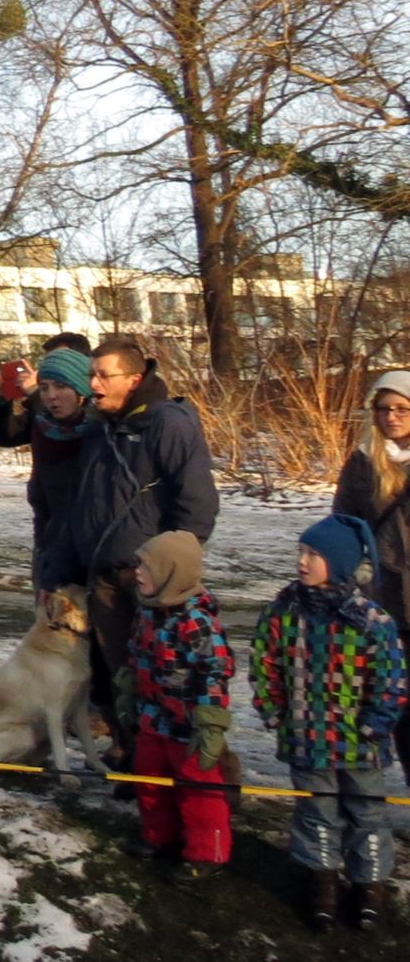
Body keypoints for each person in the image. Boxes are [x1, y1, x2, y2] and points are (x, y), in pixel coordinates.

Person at [49, 336, 219, 763]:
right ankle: (137, 763)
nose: (94, 384)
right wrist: (61, 571)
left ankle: (194, 773)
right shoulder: (100, 428)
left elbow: (197, 505)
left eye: (103, 375)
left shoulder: (167, 423)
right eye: (91, 375)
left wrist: (170, 571)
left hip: (152, 580)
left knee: (168, 681)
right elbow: (81, 506)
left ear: (135, 378)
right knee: (123, 678)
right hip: (103, 577)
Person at [250, 515, 408, 932]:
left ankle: (368, 886)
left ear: (338, 563)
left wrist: (376, 723)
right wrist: (274, 711)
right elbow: (263, 664)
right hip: (307, 738)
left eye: (313, 555)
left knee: (367, 814)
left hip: (361, 744)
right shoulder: (283, 611)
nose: (302, 561)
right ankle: (323, 884)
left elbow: (392, 679)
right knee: (315, 812)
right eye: (301, 552)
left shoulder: (371, 621)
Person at [115, 531, 233, 883]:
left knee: (198, 791)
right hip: (154, 719)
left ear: (171, 575)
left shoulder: (196, 622)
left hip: (189, 727)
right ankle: (158, 835)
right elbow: (138, 654)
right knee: (149, 780)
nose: (137, 573)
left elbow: (216, 671)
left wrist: (211, 724)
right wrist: (128, 688)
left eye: (146, 568)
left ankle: (206, 852)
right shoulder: (148, 613)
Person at [331, 368, 410, 782]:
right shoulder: (362, 463)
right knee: (398, 706)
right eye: (384, 409)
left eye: (401, 408)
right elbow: (342, 526)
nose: (391, 417)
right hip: (382, 604)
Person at [0, 338, 95, 594]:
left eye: (60, 381)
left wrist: (36, 394)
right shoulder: (44, 413)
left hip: (85, 526)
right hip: (48, 519)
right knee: (48, 603)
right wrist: (0, 403)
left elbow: (74, 432)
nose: (51, 391)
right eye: (45, 381)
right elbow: (7, 435)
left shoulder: (95, 417)